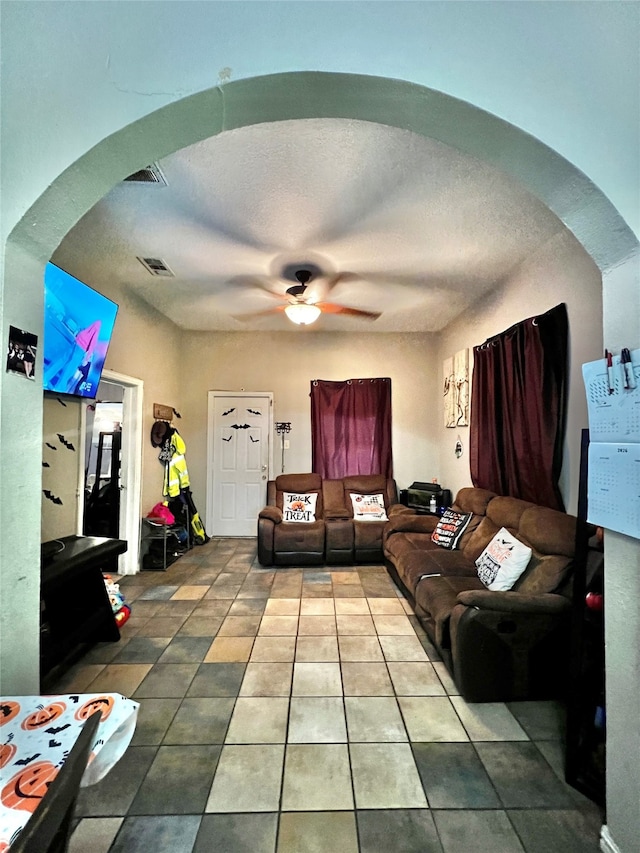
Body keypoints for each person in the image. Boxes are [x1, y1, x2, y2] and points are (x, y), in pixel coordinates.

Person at [44, 319, 101, 393]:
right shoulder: (96, 329)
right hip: (80, 350)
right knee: (70, 370)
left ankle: (45, 378)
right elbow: (92, 345)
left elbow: (78, 335)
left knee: (61, 361)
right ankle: (60, 388)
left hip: (75, 344)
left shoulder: (85, 330)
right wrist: (86, 358)